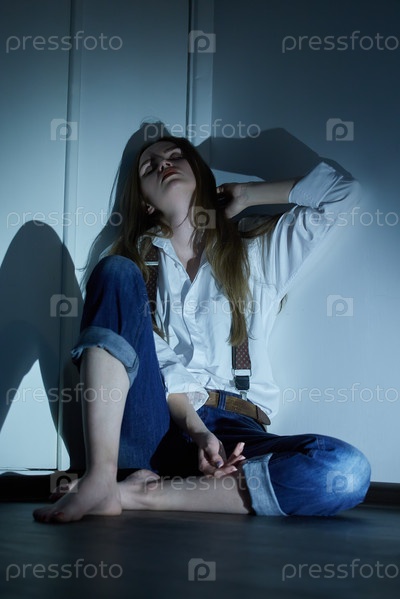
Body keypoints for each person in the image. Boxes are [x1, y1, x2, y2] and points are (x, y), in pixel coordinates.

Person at [33, 135, 371, 523]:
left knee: (345, 471)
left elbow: (342, 195)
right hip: (153, 425)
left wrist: (247, 194)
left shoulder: (257, 252)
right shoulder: (135, 268)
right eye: (149, 166)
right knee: (115, 271)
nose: (163, 163)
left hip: (238, 433)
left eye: (176, 156)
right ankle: (102, 475)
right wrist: (197, 430)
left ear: (200, 173)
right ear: (145, 202)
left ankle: (133, 495)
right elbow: (159, 362)